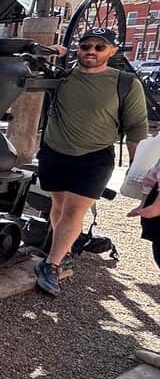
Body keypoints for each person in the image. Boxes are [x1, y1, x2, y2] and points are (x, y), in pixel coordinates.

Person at [35, 28, 148, 296]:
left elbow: (136, 127)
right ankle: (63, 249)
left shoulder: (125, 83)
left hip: (95, 157)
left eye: (99, 47)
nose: (91, 51)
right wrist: (51, 53)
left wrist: (137, 165)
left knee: (74, 211)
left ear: (112, 51)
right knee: (58, 206)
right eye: (86, 46)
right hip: (56, 151)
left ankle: (51, 265)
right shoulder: (63, 77)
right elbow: (27, 67)